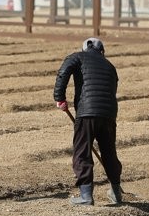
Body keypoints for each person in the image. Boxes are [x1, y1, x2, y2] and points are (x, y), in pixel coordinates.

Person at [53, 37, 124, 206]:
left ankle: (86, 196)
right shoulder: (110, 66)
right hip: (109, 114)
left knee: (82, 152)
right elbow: (112, 89)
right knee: (109, 153)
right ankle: (116, 191)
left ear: (85, 48)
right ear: (102, 51)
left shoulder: (77, 57)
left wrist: (59, 97)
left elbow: (64, 71)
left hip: (86, 112)